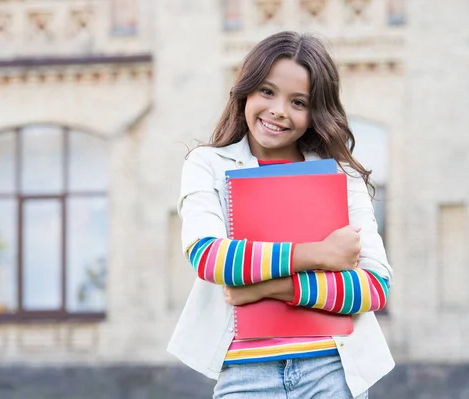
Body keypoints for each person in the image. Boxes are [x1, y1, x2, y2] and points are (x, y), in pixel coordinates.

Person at [167, 31, 394, 399]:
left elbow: (374, 287)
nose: (278, 111)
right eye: (267, 92)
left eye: (298, 101)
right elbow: (210, 257)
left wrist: (269, 287)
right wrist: (319, 254)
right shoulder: (206, 165)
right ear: (246, 90)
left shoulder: (341, 176)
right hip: (245, 376)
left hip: (333, 372)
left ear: (315, 111)